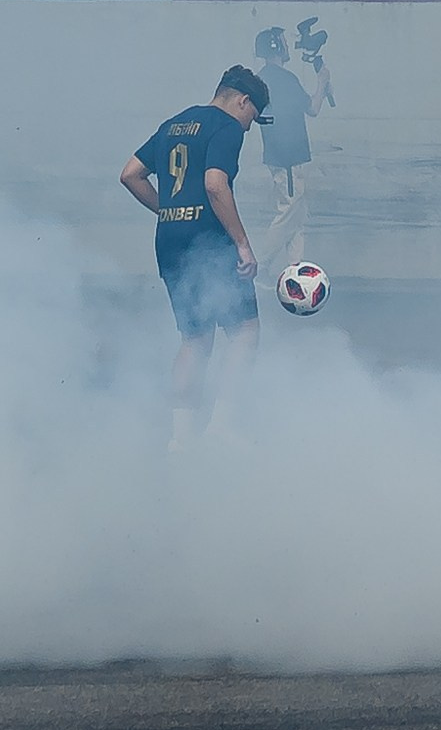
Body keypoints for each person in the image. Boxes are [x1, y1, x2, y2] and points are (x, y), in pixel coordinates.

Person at [120, 65, 270, 452]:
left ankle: (180, 439)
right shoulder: (226, 127)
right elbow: (214, 184)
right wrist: (242, 244)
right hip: (209, 241)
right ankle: (221, 426)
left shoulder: (173, 124)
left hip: (169, 240)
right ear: (243, 101)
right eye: (252, 118)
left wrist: (167, 210)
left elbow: (130, 174)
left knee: (195, 338)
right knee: (244, 331)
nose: (249, 128)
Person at [251, 25, 329, 274]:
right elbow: (313, 109)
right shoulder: (284, 79)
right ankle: (258, 267)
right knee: (288, 213)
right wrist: (322, 82)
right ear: (275, 46)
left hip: (281, 157)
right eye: (283, 40)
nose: (288, 45)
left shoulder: (262, 78)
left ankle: (294, 272)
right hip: (289, 158)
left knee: (297, 217)